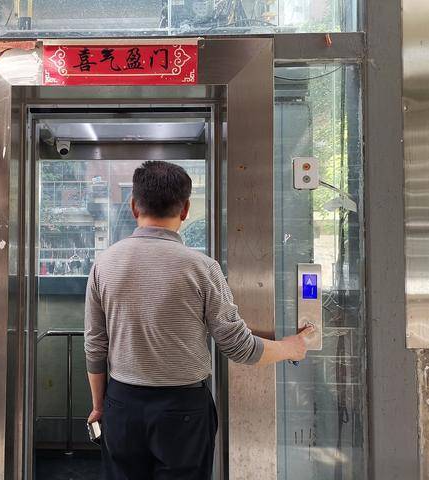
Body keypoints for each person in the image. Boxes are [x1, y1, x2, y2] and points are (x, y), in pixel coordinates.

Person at [84, 160, 314, 480]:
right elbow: (238, 347)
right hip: (183, 409)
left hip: (122, 403)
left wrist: (100, 405)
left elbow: (95, 345)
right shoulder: (202, 268)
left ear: (134, 206)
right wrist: (292, 347)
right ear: (185, 209)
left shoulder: (104, 264)